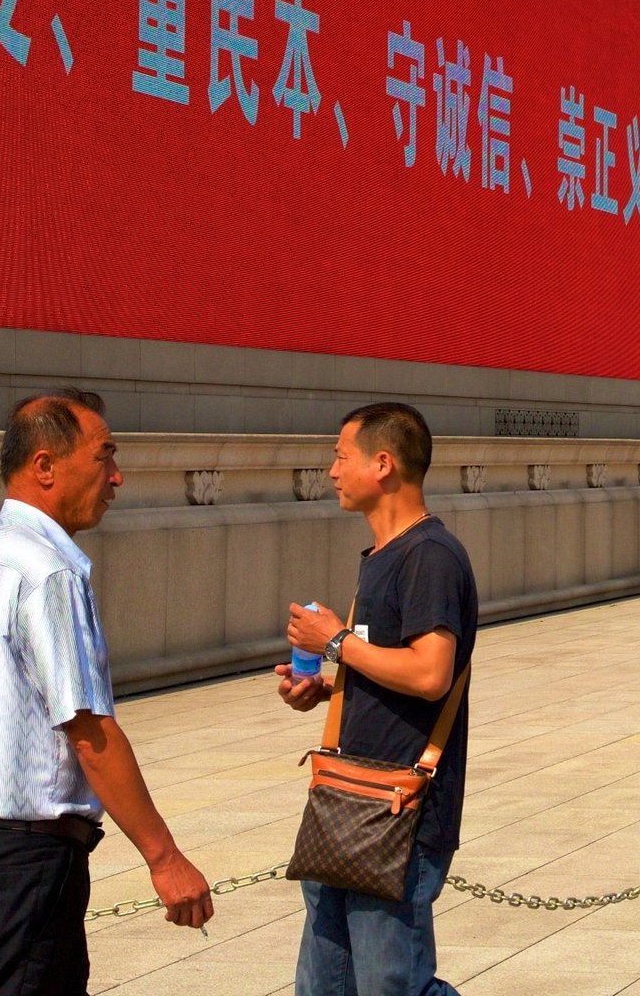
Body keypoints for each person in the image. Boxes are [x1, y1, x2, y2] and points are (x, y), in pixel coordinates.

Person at [0, 391, 214, 995]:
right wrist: (164, 858)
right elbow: (88, 730)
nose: (117, 477)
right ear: (45, 466)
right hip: (26, 861)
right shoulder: (48, 572)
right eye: (105, 457)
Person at [281, 403, 479, 996]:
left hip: (400, 813)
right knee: (324, 985)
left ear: (383, 464)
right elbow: (387, 666)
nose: (333, 471)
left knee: (393, 986)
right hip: (347, 799)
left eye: (342, 456)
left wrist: (335, 640)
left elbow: (429, 674)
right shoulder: (381, 558)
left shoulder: (430, 556)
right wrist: (323, 686)